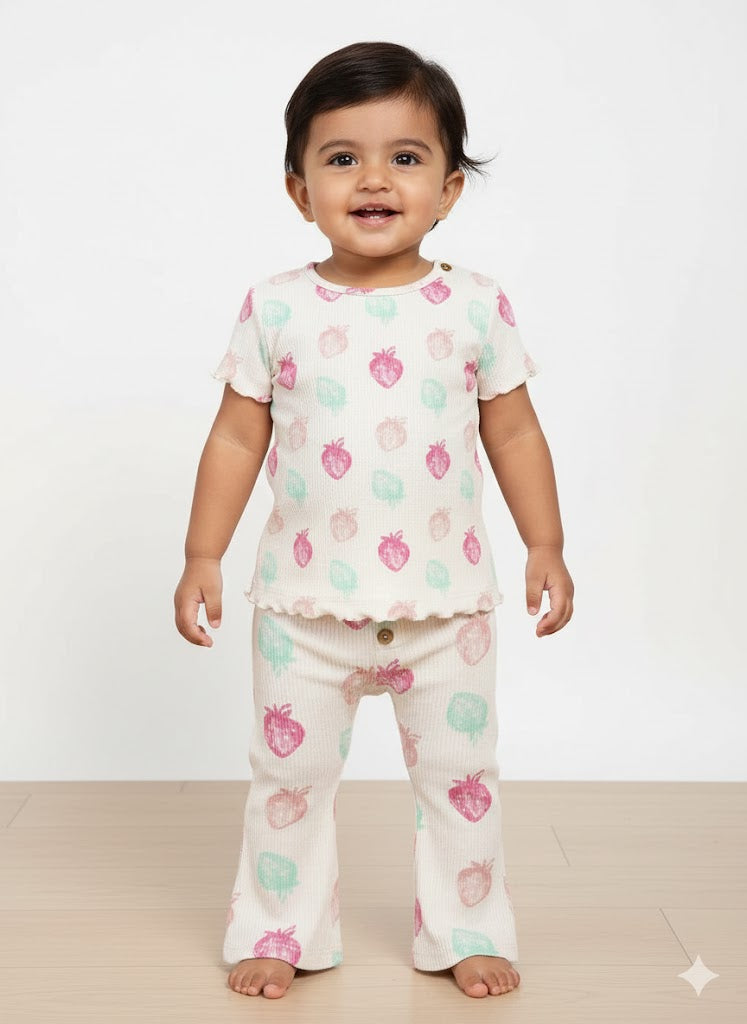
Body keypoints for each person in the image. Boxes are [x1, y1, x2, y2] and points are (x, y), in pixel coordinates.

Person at [174, 40, 574, 1001]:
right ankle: (280, 927)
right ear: (297, 188)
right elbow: (235, 437)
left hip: (448, 609)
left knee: (460, 776)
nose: (373, 179)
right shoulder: (275, 308)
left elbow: (514, 431)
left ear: (448, 190)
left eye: (405, 156)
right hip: (303, 609)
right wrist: (201, 553)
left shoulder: (474, 307)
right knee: (289, 780)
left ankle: (465, 927)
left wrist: (545, 543)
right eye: (341, 157)